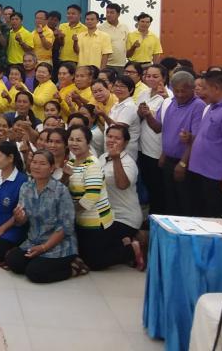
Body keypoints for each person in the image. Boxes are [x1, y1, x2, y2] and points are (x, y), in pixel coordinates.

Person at [5, 149, 79, 283]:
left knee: (35, 273)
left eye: (42, 164)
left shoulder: (61, 191)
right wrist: (18, 217)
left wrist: (44, 248)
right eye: (34, 162)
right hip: (34, 241)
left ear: (52, 168)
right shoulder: (26, 187)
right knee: (14, 262)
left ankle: (73, 268)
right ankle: (39, 260)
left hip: (58, 244)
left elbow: (65, 227)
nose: (36, 166)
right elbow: (23, 220)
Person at [187, 72, 222, 218]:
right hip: (199, 171)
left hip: (215, 176)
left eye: (204, 88)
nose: (201, 92)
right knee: (198, 215)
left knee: (213, 217)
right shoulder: (211, 106)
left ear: (216, 88)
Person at [154, 70, 205, 216]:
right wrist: (164, 154)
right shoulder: (171, 102)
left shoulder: (198, 106)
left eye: (184, 91)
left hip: (185, 163)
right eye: (176, 91)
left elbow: (196, 139)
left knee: (185, 204)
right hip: (169, 160)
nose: (180, 94)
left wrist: (183, 163)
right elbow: (168, 130)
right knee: (170, 202)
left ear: (192, 89)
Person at [64, 126, 114, 272]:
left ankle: (130, 248)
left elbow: (90, 198)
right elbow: (62, 189)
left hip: (96, 221)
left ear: (88, 142)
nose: (74, 143)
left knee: (96, 264)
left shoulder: (93, 164)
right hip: (79, 220)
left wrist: (68, 212)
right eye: (71, 139)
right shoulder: (71, 163)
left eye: (79, 140)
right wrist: (65, 176)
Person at [98, 125, 145, 269]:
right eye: (109, 137)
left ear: (125, 143)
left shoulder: (128, 162)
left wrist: (116, 159)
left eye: (117, 138)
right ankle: (128, 241)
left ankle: (133, 249)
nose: (112, 140)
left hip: (124, 218)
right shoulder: (102, 157)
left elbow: (122, 184)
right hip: (106, 215)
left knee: (97, 258)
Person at [137, 64, 172, 215]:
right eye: (148, 76)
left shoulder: (169, 96)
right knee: (147, 184)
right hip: (142, 146)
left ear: (164, 78)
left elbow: (164, 125)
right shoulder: (143, 93)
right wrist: (140, 113)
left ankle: (157, 216)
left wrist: (148, 114)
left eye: (155, 76)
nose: (150, 79)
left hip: (157, 149)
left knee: (158, 188)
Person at [98, 75, 140, 160]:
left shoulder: (129, 106)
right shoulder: (117, 104)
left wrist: (103, 115)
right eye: (116, 86)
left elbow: (119, 129)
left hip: (124, 151)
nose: (118, 89)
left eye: (122, 86)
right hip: (113, 148)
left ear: (131, 90)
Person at [98, 3, 131, 76]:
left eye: (112, 12)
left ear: (118, 14)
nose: (108, 15)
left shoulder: (124, 27)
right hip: (106, 64)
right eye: (107, 12)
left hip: (121, 65)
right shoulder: (100, 28)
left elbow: (126, 45)